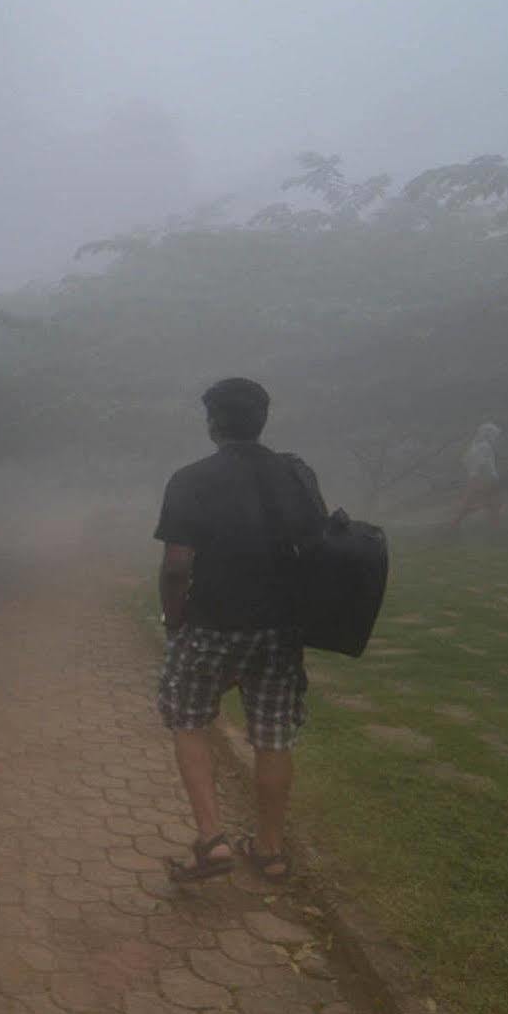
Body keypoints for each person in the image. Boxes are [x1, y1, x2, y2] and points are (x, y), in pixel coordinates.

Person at [154, 377, 327, 884]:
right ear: (262, 421)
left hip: (210, 624)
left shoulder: (191, 479)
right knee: (273, 737)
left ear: (212, 424)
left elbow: (176, 566)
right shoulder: (295, 476)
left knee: (189, 721)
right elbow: (317, 547)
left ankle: (213, 840)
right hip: (279, 630)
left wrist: (173, 618)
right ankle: (270, 850)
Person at [448, 422, 502, 533]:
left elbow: (466, 462)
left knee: (492, 503)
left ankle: (495, 527)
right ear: (489, 435)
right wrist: (476, 479)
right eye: (494, 435)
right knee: (488, 503)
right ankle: (454, 523)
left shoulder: (475, 446)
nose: (496, 438)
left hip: (481, 478)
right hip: (485, 478)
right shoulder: (484, 447)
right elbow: (480, 465)